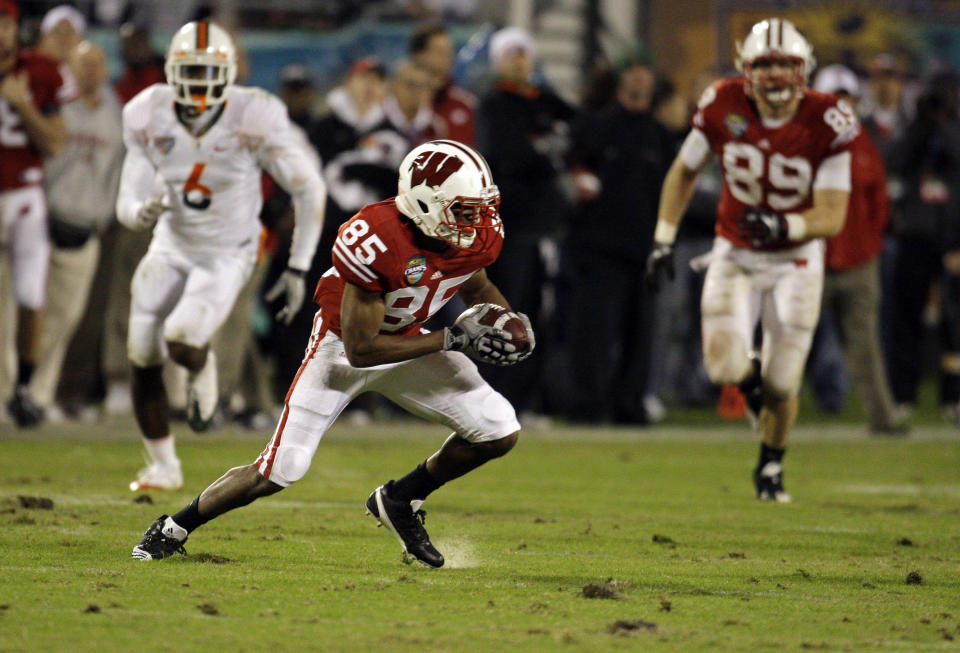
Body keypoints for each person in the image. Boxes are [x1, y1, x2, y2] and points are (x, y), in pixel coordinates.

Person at [131, 140, 534, 568]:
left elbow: (475, 284)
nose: (477, 221)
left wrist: (506, 323)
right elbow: (363, 350)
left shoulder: (476, 235)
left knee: (497, 428)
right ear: (424, 204)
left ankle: (401, 499)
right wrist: (453, 338)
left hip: (412, 340)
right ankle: (173, 527)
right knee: (280, 468)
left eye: (478, 208)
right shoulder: (376, 238)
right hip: (340, 351)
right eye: (463, 210)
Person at [646, 18, 858, 502]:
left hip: (797, 257)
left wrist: (785, 225)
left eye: (786, 63)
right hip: (736, 249)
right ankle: (751, 380)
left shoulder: (829, 120)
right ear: (746, 68)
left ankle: (770, 465)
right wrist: (662, 240)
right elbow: (683, 172)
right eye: (765, 63)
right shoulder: (723, 103)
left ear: (805, 68)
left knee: (783, 382)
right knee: (723, 369)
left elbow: (831, 213)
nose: (777, 73)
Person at [117, 20, 325, 492]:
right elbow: (126, 195)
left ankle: (200, 362)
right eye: (188, 71)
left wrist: (297, 264)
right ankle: (164, 465)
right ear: (170, 71)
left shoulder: (254, 114)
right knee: (142, 351)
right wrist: (138, 211)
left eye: (206, 72)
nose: (196, 84)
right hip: (171, 242)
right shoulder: (147, 112)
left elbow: (309, 187)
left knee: (181, 339)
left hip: (228, 251)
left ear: (229, 72)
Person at [563, 49, 675, 424]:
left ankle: (630, 406)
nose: (640, 78)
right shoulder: (593, 125)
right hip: (598, 249)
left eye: (646, 70)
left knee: (639, 337)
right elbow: (567, 168)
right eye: (633, 70)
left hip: (644, 249)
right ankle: (587, 406)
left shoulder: (661, 136)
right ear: (620, 78)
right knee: (593, 334)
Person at [475, 26, 576, 422]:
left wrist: (548, 147)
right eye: (511, 54)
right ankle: (491, 400)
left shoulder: (543, 101)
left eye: (524, 54)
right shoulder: (495, 103)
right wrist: (549, 152)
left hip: (544, 228)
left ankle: (522, 400)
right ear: (499, 61)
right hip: (510, 228)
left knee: (537, 316)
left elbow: (582, 127)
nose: (519, 61)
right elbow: (506, 151)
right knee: (505, 313)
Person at [808, 64, 906, 435]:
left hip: (858, 261)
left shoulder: (864, 142)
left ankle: (883, 417)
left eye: (845, 98)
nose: (839, 105)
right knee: (789, 338)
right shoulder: (799, 142)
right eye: (833, 98)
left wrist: (870, 244)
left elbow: (879, 200)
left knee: (865, 344)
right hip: (812, 260)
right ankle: (765, 412)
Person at [29, 41, 123, 419]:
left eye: (97, 64)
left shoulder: (115, 117)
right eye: (84, 63)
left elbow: (117, 174)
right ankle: (16, 393)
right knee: (27, 315)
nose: (91, 71)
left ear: (105, 71)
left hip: (87, 228)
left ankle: (39, 396)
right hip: (43, 224)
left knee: (65, 320)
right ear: (70, 67)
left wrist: (105, 217)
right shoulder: (57, 107)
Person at [0, 0, 67, 427]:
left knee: (31, 296)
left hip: (24, 195)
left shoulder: (40, 71)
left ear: (15, 27)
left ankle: (23, 387)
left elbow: (55, 143)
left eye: (3, 22)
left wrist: (22, 105)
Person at [409, 22, 476, 145]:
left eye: (450, 51)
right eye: (439, 51)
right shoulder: (398, 100)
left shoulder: (467, 103)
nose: (448, 57)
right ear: (419, 55)